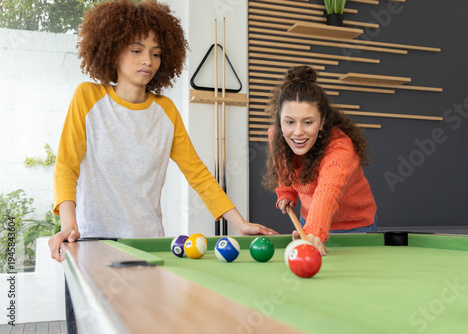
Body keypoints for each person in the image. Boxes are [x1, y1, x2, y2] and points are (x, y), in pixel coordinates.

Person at [48, 1, 276, 332]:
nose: (148, 61)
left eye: (156, 53)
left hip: (149, 248)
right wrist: (68, 223)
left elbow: (197, 172)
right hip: (93, 246)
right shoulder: (88, 98)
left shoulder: (166, 111)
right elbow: (66, 166)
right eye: (137, 49)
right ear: (112, 50)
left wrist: (238, 222)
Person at [263, 65, 377, 255]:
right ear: (280, 121)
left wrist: (313, 231)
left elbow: (328, 192)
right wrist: (286, 193)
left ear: (322, 121)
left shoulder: (340, 148)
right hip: (308, 223)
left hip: (354, 228)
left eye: (308, 122)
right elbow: (284, 167)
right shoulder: (277, 135)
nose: (298, 132)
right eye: (289, 122)